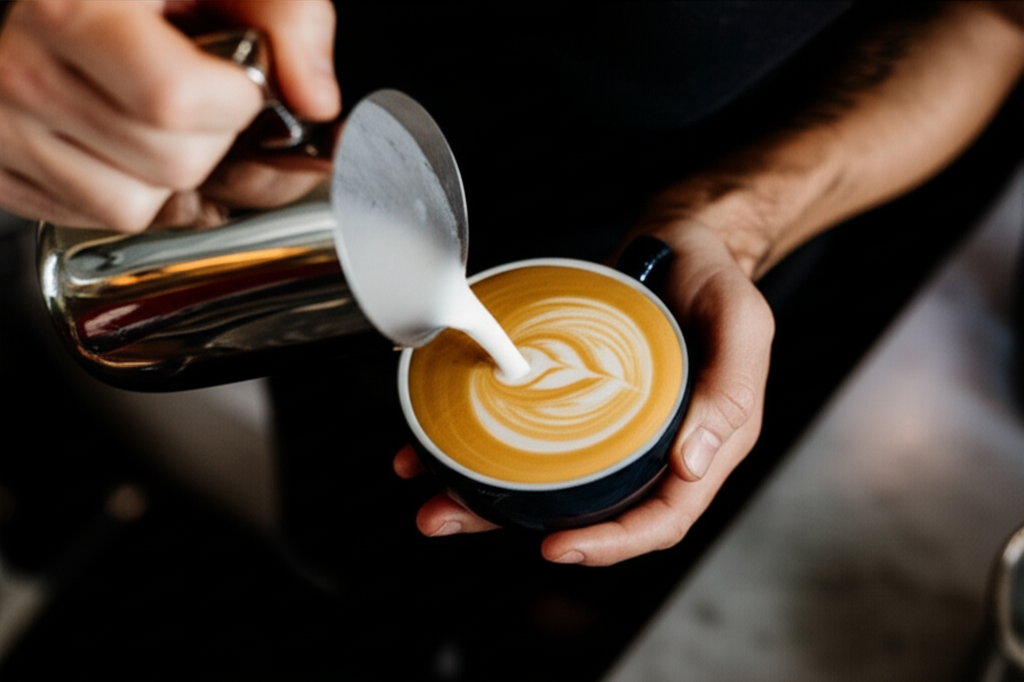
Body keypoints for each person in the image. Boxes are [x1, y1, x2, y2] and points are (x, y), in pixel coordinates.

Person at [1, 0, 1023, 575]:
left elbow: (990, 18)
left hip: (681, 285)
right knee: (364, 546)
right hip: (309, 253)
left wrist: (738, 215)